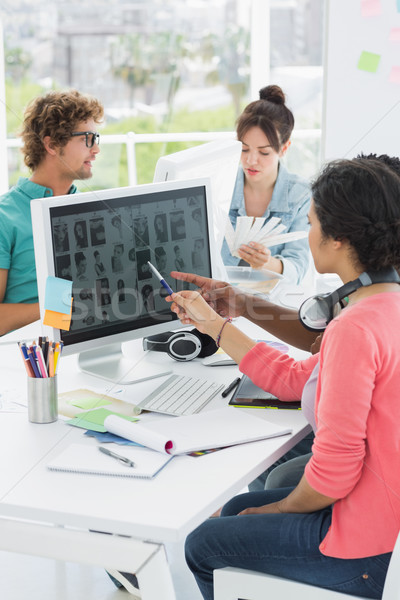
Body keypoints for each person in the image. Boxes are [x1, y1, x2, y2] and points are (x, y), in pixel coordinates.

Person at [168, 157, 400, 599]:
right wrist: (219, 322)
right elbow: (294, 378)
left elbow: (333, 475)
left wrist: (276, 510)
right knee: (236, 507)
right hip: (384, 522)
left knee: (202, 544)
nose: (307, 232)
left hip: (371, 553)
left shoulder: (355, 328)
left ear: (339, 238)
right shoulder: (381, 306)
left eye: (311, 222)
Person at [0, 89, 103, 336]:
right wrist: (63, 307)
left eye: (96, 137)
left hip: (90, 342)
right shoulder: (5, 217)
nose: (96, 149)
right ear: (52, 144)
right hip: (31, 357)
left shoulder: (93, 209)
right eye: (87, 138)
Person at [221, 84, 311, 284]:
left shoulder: (301, 195)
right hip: (219, 298)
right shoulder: (222, 184)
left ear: (284, 148)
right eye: (244, 149)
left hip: (269, 303)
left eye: (264, 152)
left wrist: (267, 263)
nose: (251, 161)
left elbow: (298, 268)